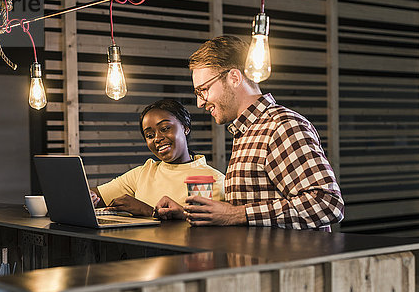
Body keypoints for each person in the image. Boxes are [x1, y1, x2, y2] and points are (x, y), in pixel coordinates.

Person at [155, 35, 344, 230]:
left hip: (284, 260)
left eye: (203, 90)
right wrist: (191, 213)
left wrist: (236, 214)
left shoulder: (280, 126)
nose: (200, 102)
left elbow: (327, 204)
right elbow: (248, 211)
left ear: (234, 78)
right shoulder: (247, 132)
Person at [90, 99, 225, 217]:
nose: (157, 138)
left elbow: (206, 228)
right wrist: (88, 197)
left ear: (185, 128)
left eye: (165, 128)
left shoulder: (215, 180)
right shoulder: (143, 173)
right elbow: (96, 195)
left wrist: (148, 211)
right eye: (149, 135)